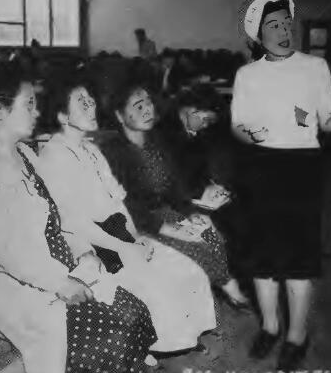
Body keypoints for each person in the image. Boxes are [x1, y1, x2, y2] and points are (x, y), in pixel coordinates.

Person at [0, 65, 158, 373]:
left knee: (132, 310)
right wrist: (58, 282)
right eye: (29, 103)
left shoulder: (26, 156)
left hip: (53, 267)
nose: (37, 111)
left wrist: (81, 248)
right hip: (10, 285)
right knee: (108, 333)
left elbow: (57, 217)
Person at [230, 0, 331, 370]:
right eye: (272, 25)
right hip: (260, 168)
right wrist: (251, 134)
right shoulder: (248, 74)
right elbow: (238, 125)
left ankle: (297, 334)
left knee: (298, 259)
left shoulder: (315, 68)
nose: (282, 30)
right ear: (257, 36)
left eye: (285, 23)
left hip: (302, 170)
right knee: (262, 259)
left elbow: (328, 122)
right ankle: (271, 327)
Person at [37, 77, 217, 353]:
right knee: (158, 284)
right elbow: (73, 222)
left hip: (119, 233)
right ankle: (163, 343)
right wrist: (125, 247)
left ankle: (185, 337)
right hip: (90, 246)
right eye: (80, 102)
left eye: (90, 99)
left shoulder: (91, 149)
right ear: (62, 116)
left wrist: (135, 237)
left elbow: (119, 201)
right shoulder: (53, 155)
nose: (90, 105)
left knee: (189, 272)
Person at [99, 81, 250, 310]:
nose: (148, 109)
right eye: (138, 106)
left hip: (162, 213)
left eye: (148, 103)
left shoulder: (155, 142)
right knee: (196, 247)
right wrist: (167, 228)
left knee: (211, 234)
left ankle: (220, 294)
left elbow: (174, 187)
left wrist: (190, 213)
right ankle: (224, 292)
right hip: (134, 223)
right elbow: (125, 205)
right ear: (120, 116)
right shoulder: (113, 152)